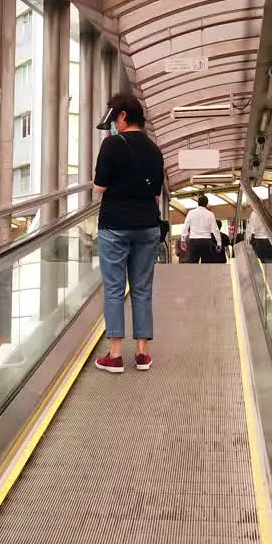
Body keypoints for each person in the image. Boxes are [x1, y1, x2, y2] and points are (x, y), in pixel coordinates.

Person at [91, 93, 165, 374]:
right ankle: (143, 354)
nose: (114, 125)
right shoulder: (154, 150)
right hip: (147, 226)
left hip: (115, 226)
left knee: (113, 288)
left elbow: (100, 187)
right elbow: (155, 192)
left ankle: (115, 355)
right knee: (142, 288)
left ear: (122, 116)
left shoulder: (111, 145)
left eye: (115, 119)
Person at [182, 195, 221, 263]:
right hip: (206, 241)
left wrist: (183, 240)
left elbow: (185, 227)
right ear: (206, 204)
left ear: (198, 203)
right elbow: (215, 229)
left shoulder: (191, 213)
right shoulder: (210, 214)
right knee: (205, 266)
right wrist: (219, 243)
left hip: (193, 241)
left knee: (193, 265)